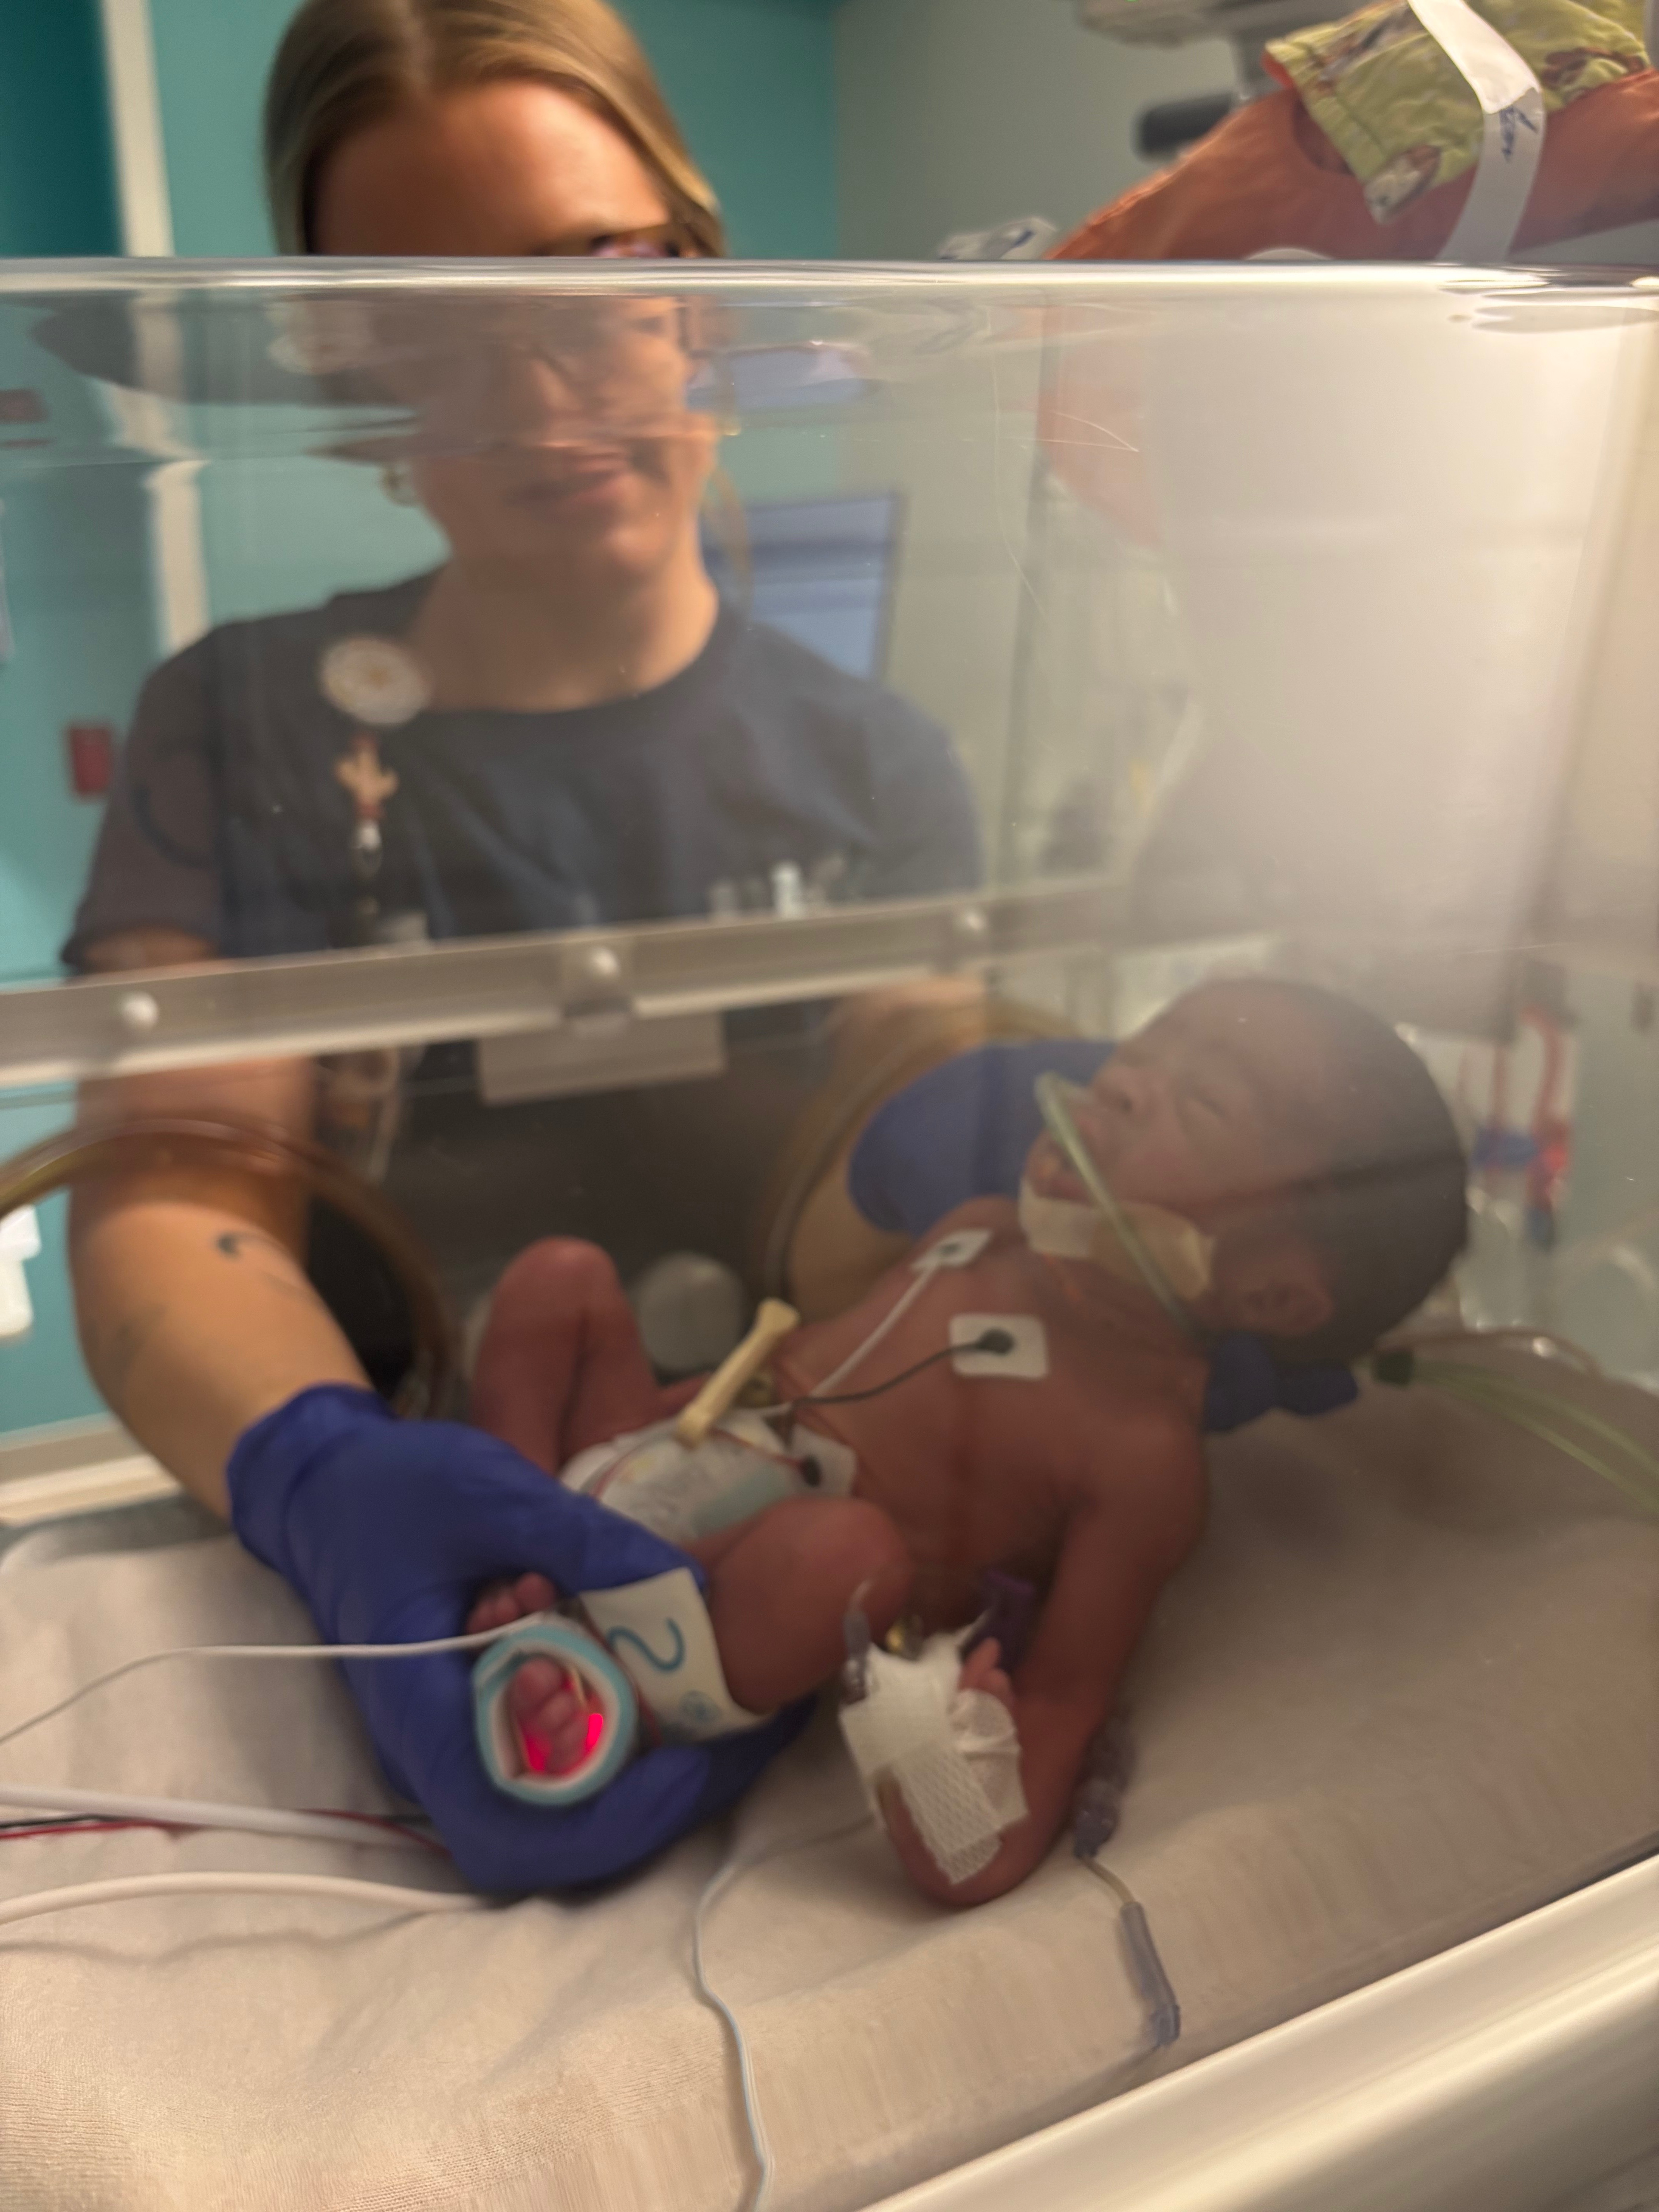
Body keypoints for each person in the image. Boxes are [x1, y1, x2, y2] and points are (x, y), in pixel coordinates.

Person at [66, 0, 982, 1506]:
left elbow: (894, 1184)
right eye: (429, 333)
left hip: (798, 1497)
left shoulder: (872, 767)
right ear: (355, 383)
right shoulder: (238, 729)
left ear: (701, 294)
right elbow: (185, 1190)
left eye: (596, 282)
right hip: (379, 1529)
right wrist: (329, 1487)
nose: (539, 400)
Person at [425, 979, 1468, 1903]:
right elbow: (823, 1362)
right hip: (677, 1458)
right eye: (1140, 1050)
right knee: (559, 1278)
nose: (1119, 1084)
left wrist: (954, 1782)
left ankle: (605, 1693)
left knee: (847, 1558)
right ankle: (523, 1540)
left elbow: (1064, 1696)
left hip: (737, 1597)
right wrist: (687, 1414)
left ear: (1271, 1293)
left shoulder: (1140, 1455)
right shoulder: (982, 1226)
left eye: (1201, 1101)